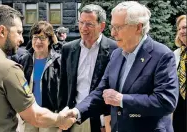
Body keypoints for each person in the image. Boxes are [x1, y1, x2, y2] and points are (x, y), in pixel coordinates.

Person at [63, 1, 179, 132]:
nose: (112, 33)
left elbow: (166, 101)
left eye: (118, 27)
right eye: (112, 27)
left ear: (138, 27)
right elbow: (101, 91)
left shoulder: (162, 55)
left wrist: (123, 100)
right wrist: (77, 112)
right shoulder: (116, 54)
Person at [58, 4, 117, 132]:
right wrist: (61, 115)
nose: (83, 28)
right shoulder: (68, 49)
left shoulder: (115, 50)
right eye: (81, 22)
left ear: (101, 26)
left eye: (89, 24)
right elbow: (63, 86)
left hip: (101, 119)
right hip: (73, 117)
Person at [17, 20, 61, 132]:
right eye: (35, 37)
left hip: (49, 115)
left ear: (50, 40)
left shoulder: (58, 61)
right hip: (29, 114)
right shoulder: (24, 59)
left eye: (42, 37)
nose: (38, 41)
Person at [173, 14, 186, 132]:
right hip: (180, 107)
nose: (182, 31)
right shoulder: (175, 54)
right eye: (179, 29)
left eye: (185, 27)